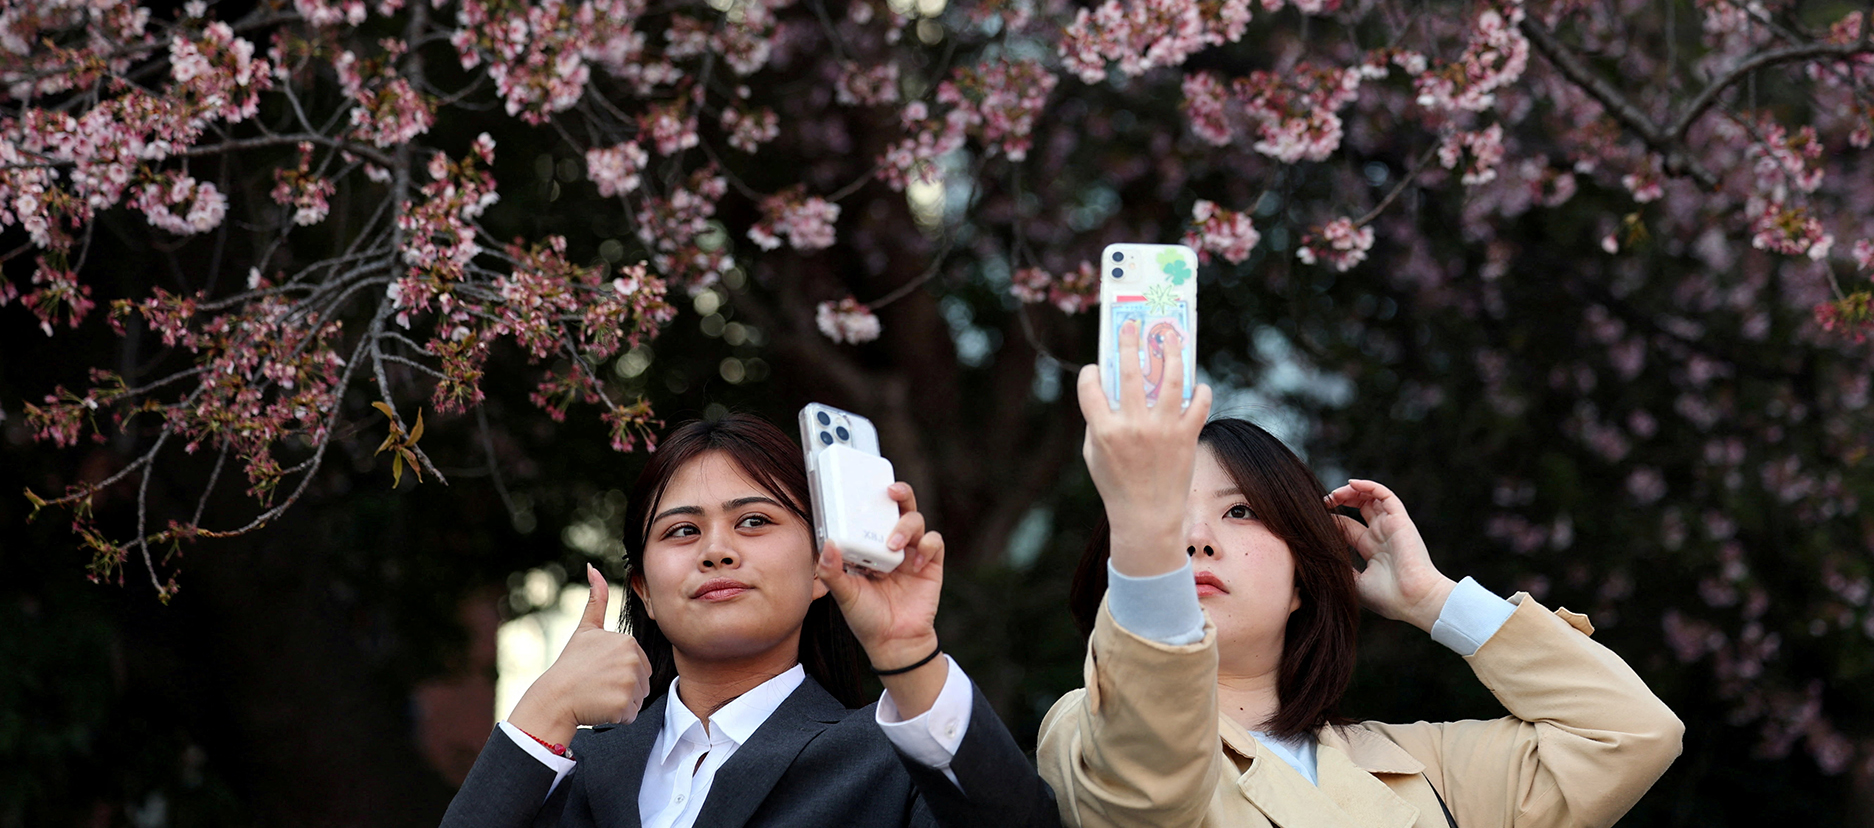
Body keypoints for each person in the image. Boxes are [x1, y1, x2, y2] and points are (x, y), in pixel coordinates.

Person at [1036, 321, 1684, 828]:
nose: (1196, 538)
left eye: (1239, 510)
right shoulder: (1088, 727)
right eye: (1164, 516)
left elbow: (1630, 733)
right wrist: (1144, 540)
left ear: (1301, 578)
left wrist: (1431, 599)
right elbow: (1147, 779)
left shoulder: (1418, 768)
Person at [442, 413, 1058, 828]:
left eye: (754, 521)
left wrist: (909, 652)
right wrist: (543, 711)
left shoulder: (892, 762)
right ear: (645, 592)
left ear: (823, 567)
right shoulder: (566, 771)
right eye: (683, 530)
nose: (716, 550)